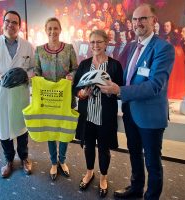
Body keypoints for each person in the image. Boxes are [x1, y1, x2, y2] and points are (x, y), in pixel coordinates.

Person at [98, 4, 175, 199]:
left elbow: (154, 85)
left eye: (143, 18)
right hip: (131, 110)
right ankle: (136, 187)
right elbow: (128, 77)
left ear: (153, 21)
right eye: (134, 19)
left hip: (150, 116)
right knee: (134, 153)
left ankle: (151, 196)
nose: (137, 23)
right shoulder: (132, 46)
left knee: (152, 161)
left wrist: (119, 90)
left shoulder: (164, 48)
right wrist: (106, 83)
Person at [0, 10, 34, 178]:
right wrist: (0, 77)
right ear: (3, 23)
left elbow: (33, 68)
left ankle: (24, 158)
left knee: (22, 129)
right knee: (4, 130)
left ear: (19, 26)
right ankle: (9, 160)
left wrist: (26, 76)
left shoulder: (27, 46)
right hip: (1, 93)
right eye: (8, 21)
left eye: (15, 22)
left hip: (20, 95)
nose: (11, 25)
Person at [72, 29, 123, 198]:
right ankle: (89, 173)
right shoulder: (84, 64)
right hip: (87, 115)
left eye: (99, 42)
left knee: (103, 149)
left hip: (105, 115)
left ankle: (103, 177)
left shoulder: (115, 65)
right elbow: (76, 88)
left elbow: (120, 90)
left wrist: (110, 91)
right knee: (88, 146)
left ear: (106, 43)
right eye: (92, 42)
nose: (95, 45)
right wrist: (81, 94)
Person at [34, 17, 78, 181]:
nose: (53, 31)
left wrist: (70, 76)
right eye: (50, 29)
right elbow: (37, 71)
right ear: (46, 31)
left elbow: (76, 69)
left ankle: (63, 160)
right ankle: (53, 162)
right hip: (48, 99)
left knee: (64, 129)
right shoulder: (39, 50)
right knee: (51, 130)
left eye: (55, 28)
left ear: (60, 30)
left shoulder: (69, 48)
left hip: (65, 97)